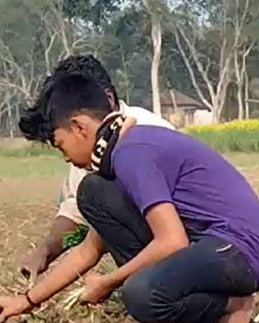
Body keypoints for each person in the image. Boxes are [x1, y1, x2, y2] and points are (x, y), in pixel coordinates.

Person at [0, 73, 259, 323]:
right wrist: (26, 301)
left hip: (238, 251)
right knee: (92, 193)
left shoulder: (131, 153)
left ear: (79, 126)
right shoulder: (121, 154)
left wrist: (109, 282)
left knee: (139, 294)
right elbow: (89, 250)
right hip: (214, 247)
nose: (65, 157)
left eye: (61, 146)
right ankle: (177, 313)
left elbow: (172, 241)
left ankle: (235, 308)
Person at [19, 55, 174, 285]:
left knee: (92, 191)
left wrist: (111, 281)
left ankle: (157, 289)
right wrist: (45, 253)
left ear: (107, 98)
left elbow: (171, 234)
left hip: (190, 246)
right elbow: (78, 218)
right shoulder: (90, 147)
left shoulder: (142, 136)